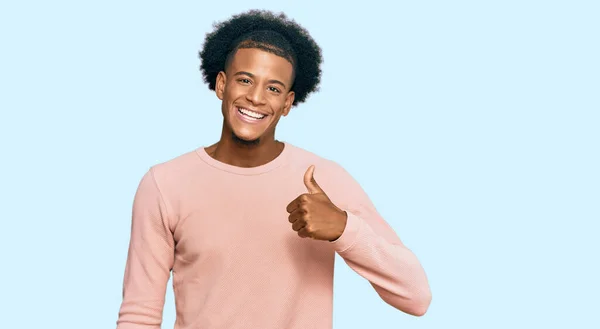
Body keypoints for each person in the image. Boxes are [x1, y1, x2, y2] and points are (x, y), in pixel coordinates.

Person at [116, 9, 431, 329]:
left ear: (287, 102)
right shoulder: (164, 184)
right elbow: (139, 315)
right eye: (245, 80)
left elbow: (417, 296)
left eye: (273, 88)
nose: (255, 98)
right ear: (221, 84)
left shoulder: (324, 180)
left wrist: (343, 229)